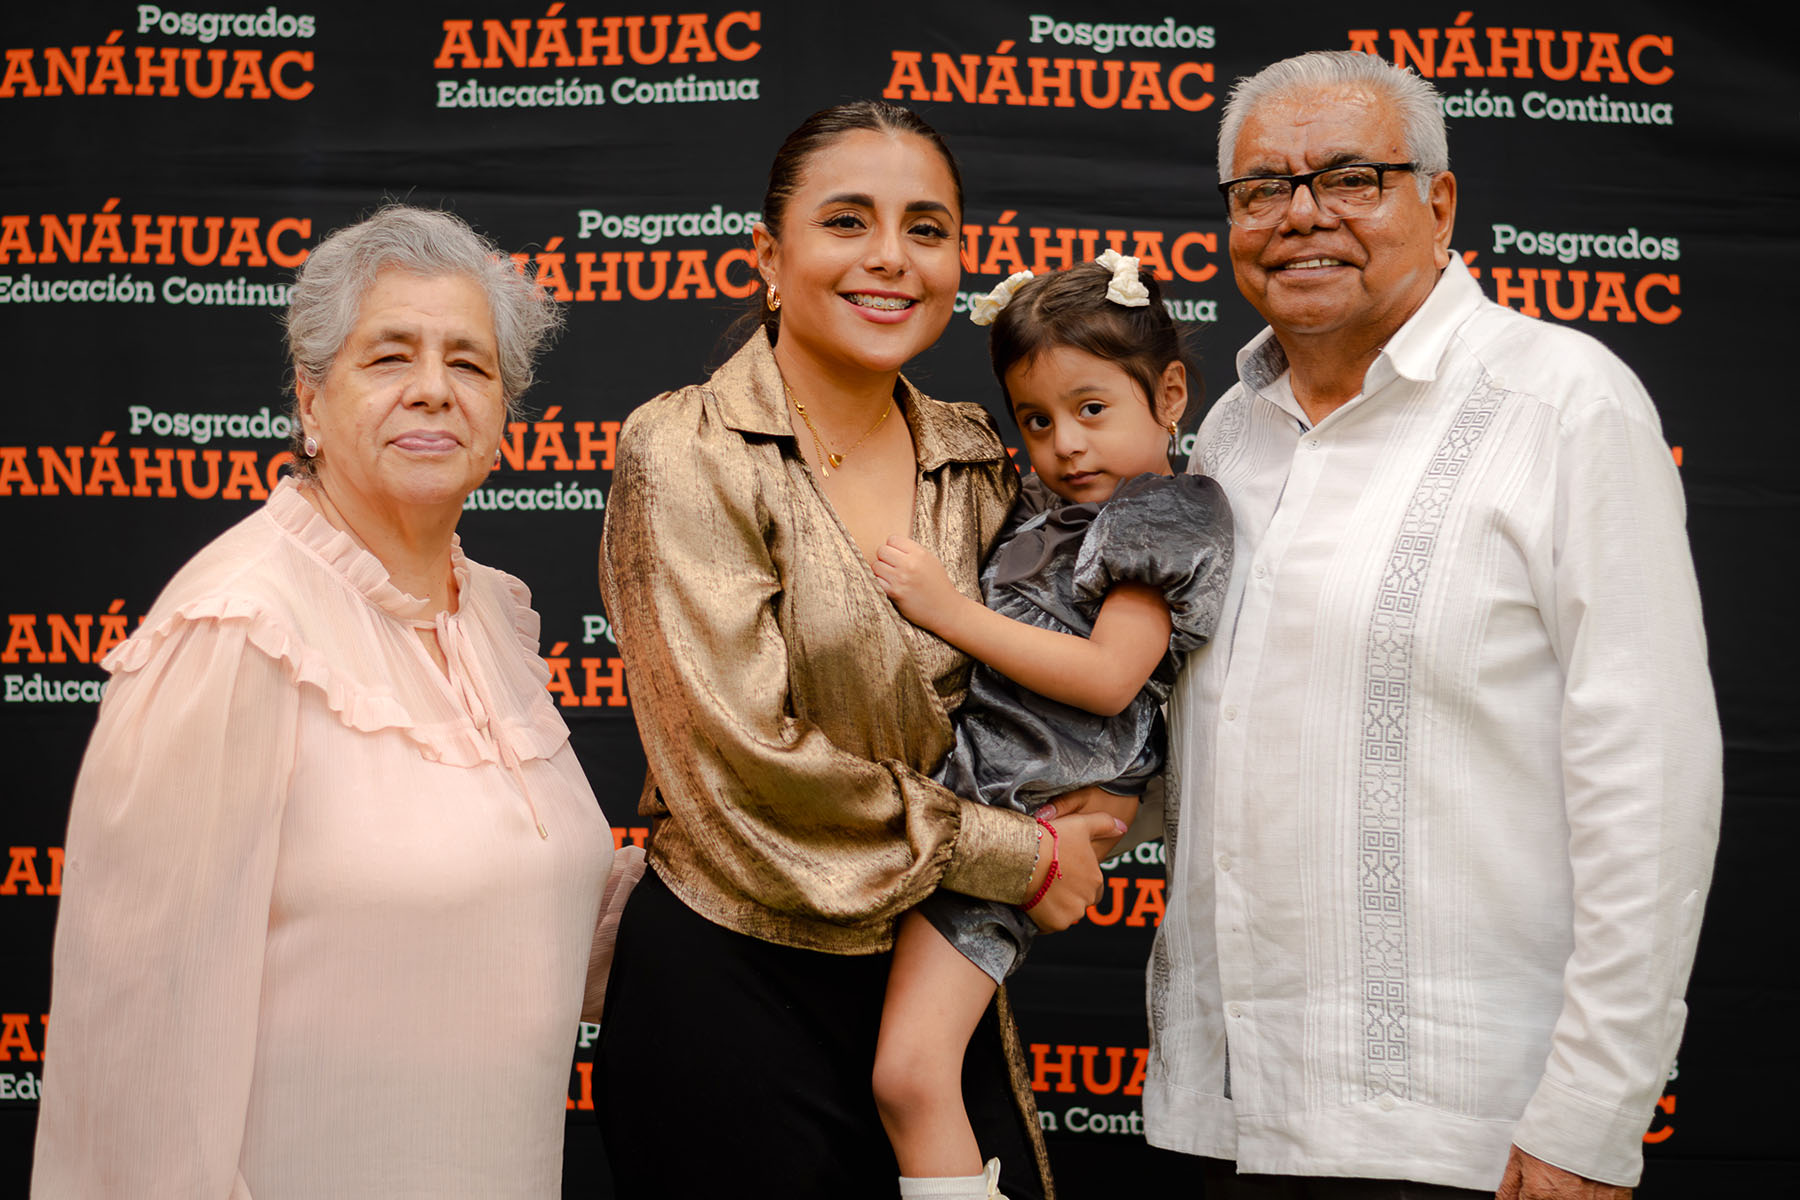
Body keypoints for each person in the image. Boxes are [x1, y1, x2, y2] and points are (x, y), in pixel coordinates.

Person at [1143, 50, 1721, 1199]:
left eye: (1352, 177)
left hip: (1478, 1136)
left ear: (1439, 201)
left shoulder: (1563, 401)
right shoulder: (1225, 436)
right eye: (1263, 189)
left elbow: (1650, 779)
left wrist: (1593, 1112)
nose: (1302, 216)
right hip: (1235, 1116)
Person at [31, 205, 621, 1199]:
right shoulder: (235, 630)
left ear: (506, 418)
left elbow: (501, 919)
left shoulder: (492, 620)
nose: (434, 390)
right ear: (309, 401)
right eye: (389, 357)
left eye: (470, 365)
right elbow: (136, 1053)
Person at [596, 101, 1126, 1200]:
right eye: (848, 221)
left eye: (926, 228)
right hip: (733, 975)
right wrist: (1018, 857)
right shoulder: (683, 448)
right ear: (769, 257)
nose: (892, 258)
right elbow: (746, 762)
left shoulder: (983, 457)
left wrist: (1094, 806)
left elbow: (1056, 681)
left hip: (933, 974)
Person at [868, 253, 1233, 1199]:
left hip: (1015, 824)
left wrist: (947, 610)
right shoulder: (1050, 506)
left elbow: (1113, 678)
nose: (1065, 444)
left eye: (1093, 409)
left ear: (1171, 394)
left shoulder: (1160, 513)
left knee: (910, 1075)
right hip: (956, 813)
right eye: (1037, 419)